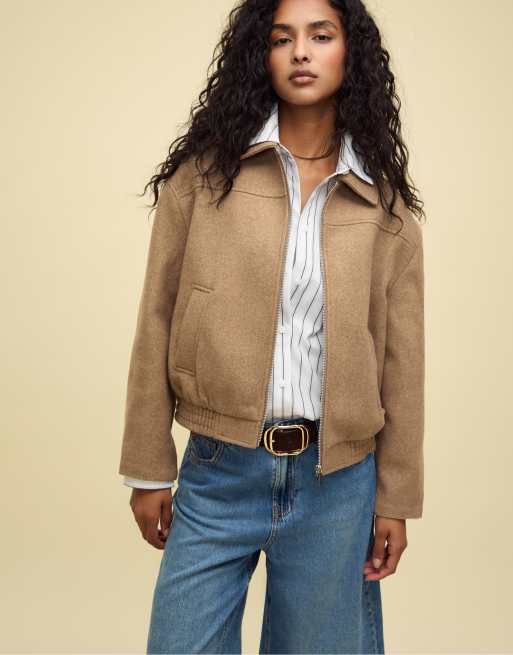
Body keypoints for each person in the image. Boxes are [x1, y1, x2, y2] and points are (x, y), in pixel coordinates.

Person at [118, 0, 426, 652]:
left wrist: (395, 499)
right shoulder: (203, 179)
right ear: (261, 54)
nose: (301, 52)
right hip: (218, 467)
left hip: (337, 482)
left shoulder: (384, 206)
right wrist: (148, 468)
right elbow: (157, 318)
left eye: (321, 35)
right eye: (282, 38)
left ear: (351, 52)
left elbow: (402, 362)